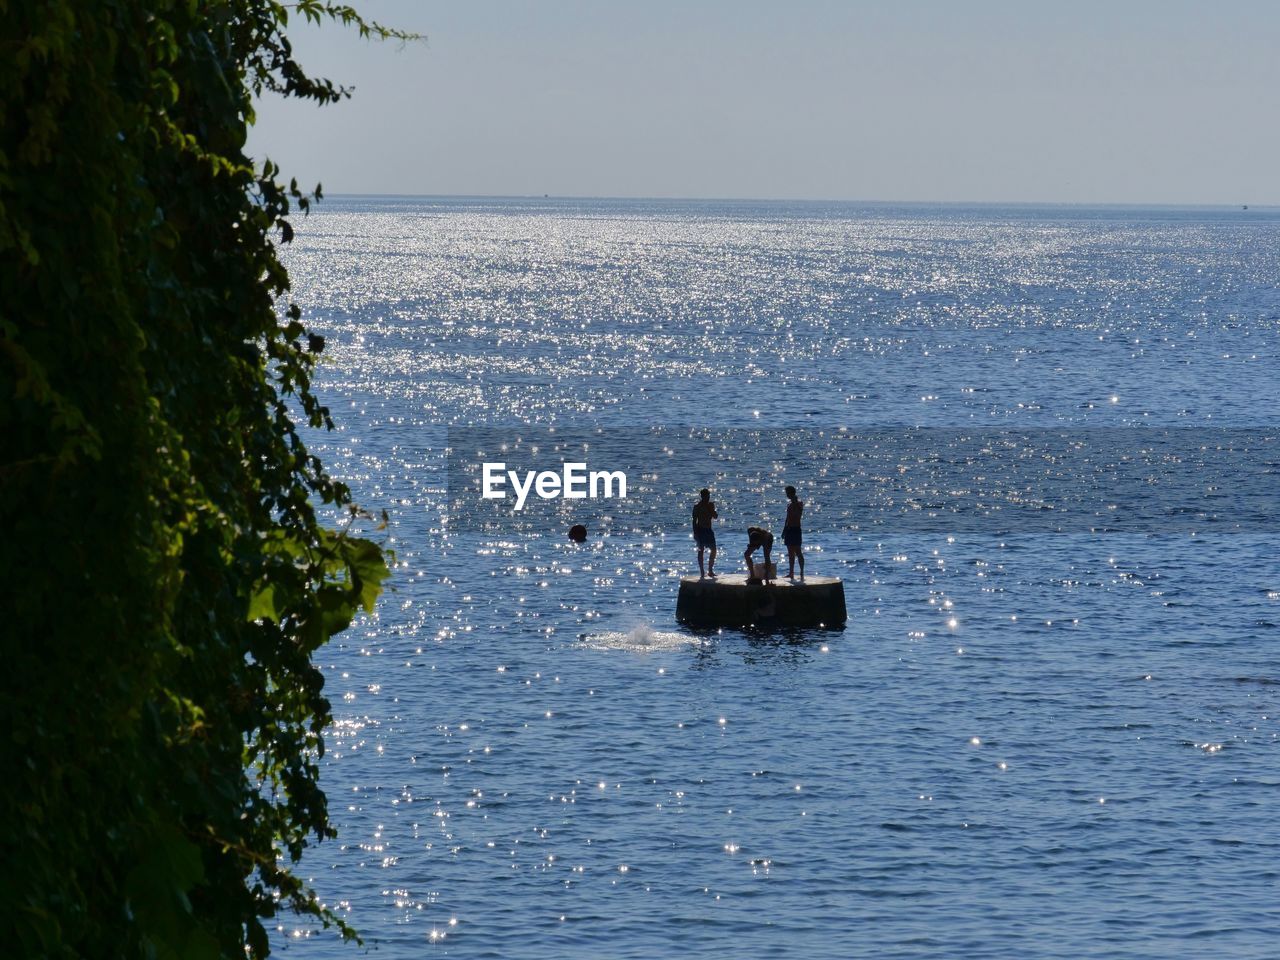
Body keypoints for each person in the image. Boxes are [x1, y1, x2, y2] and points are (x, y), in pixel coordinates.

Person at [692, 488, 718, 577]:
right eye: (706, 496)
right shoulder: (697, 507)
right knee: (701, 550)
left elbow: (715, 516)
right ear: (702, 496)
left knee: (713, 550)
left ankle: (710, 570)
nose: (707, 498)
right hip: (700, 530)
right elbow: (694, 521)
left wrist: (712, 509)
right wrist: (695, 533)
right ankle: (702, 572)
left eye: (708, 496)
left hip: (708, 530)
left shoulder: (710, 505)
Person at [783, 485, 804, 578]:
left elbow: (798, 511)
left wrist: (794, 500)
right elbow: (787, 519)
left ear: (792, 493)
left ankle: (801, 572)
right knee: (790, 552)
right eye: (786, 493)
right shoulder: (789, 504)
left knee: (798, 551)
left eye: (788, 493)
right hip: (789, 529)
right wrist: (784, 530)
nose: (787, 495)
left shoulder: (799, 503)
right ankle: (791, 572)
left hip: (796, 529)